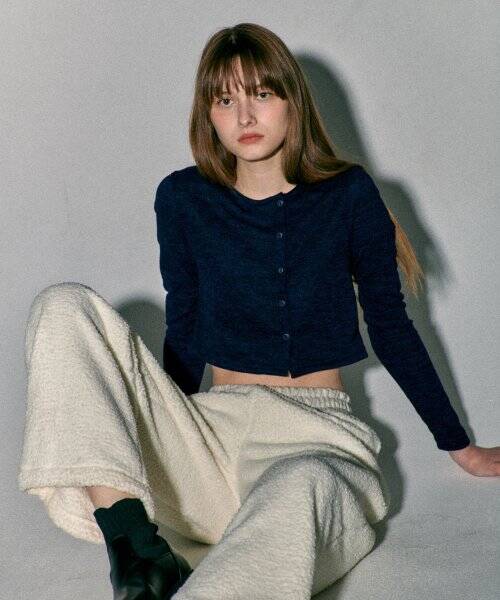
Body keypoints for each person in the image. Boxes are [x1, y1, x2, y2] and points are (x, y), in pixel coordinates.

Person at [18, 22, 499, 600]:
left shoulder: (348, 194)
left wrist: (461, 448)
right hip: (212, 443)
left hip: (317, 443)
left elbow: (392, 327)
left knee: (301, 485)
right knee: (64, 306)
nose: (244, 116)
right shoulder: (183, 198)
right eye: (225, 100)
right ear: (208, 115)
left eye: (261, 94)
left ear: (293, 102)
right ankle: (137, 550)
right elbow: (185, 326)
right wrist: (164, 424)